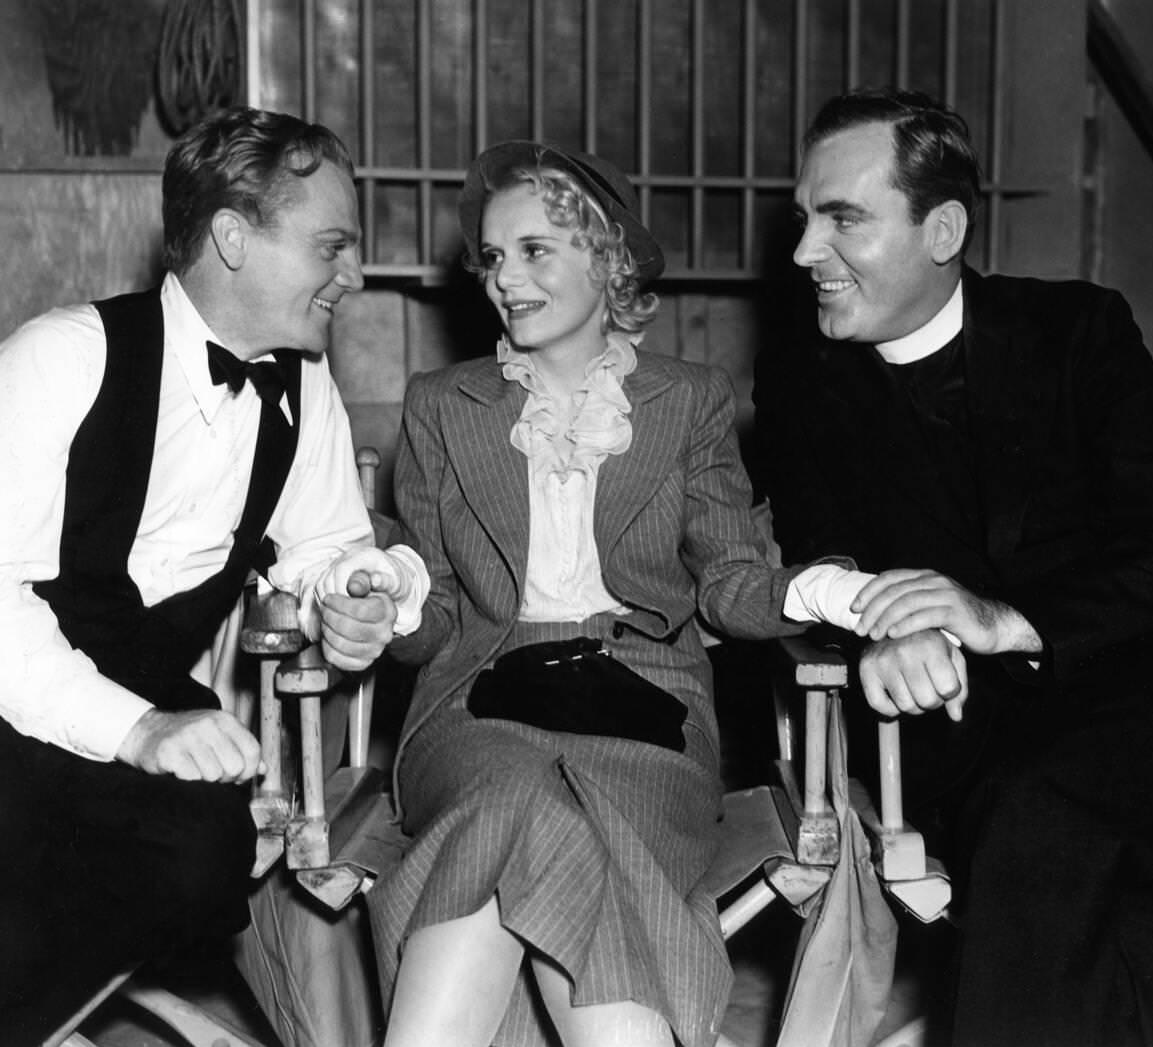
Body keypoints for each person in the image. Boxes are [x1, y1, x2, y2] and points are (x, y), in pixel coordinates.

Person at [0, 106, 428, 1046]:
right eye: (332, 246)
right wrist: (142, 728)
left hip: (141, 690)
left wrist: (355, 595)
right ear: (234, 238)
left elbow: (321, 545)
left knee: (208, 849)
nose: (353, 275)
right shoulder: (56, 361)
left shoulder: (303, 388)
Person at [367, 141, 882, 1047]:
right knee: (519, 790)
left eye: (535, 251)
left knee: (550, 811)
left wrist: (837, 593)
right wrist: (389, 608)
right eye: (492, 256)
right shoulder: (443, 403)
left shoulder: (687, 400)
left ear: (607, 259)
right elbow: (437, 611)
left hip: (644, 715)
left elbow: (729, 582)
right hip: (474, 711)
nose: (504, 279)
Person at [754, 87, 1153, 1047]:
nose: (805, 251)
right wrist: (876, 636)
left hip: (1151, 701)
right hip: (947, 727)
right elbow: (822, 562)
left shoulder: (1079, 334)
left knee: (1042, 823)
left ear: (944, 230)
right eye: (804, 217)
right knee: (1109, 903)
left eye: (841, 217)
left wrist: (1000, 616)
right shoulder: (802, 381)